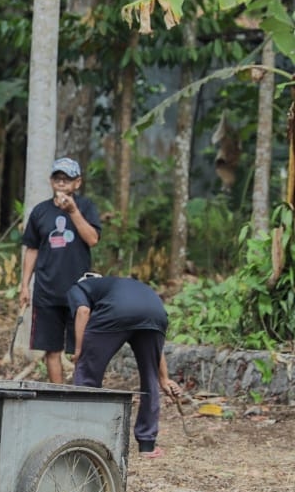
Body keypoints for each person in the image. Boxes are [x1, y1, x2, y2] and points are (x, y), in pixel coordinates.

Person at [68, 273, 183, 458]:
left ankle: (83, 436)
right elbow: (156, 350)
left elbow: (83, 311)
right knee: (150, 379)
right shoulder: (122, 285)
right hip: (156, 313)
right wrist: (163, 378)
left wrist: (79, 350)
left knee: (87, 373)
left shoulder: (79, 286)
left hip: (117, 312)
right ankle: (147, 445)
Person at [20, 157, 101, 383]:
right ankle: (58, 394)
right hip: (46, 290)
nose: (62, 183)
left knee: (80, 349)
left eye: (67, 179)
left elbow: (93, 239)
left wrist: (73, 211)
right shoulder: (40, 212)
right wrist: (25, 285)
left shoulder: (86, 207)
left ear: (78, 183)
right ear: (51, 182)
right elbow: (32, 249)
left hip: (79, 290)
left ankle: (80, 392)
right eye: (58, 178)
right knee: (51, 349)